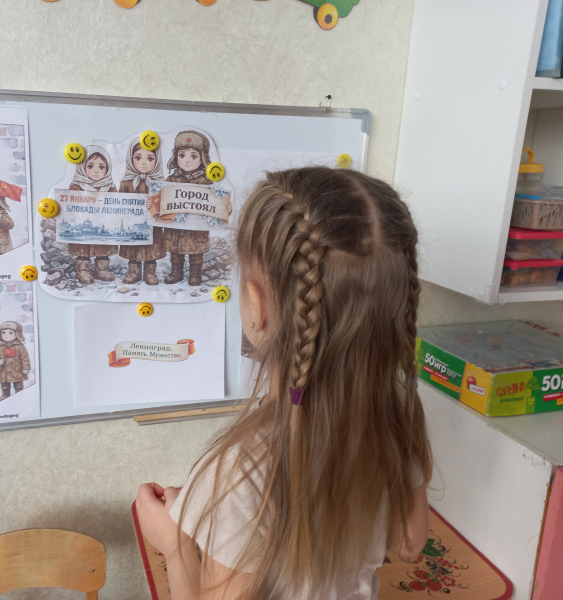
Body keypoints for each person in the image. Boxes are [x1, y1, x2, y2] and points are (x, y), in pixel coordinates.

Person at [134, 166, 432, 600]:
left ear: (256, 307)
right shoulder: (394, 412)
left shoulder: (239, 470)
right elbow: (410, 540)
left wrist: (176, 544)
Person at [163, 130, 213, 286]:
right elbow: (163, 199)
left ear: (202, 159)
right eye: (182, 155)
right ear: (175, 157)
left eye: (193, 156)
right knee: (175, 249)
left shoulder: (206, 181)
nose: (186, 160)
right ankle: (176, 272)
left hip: (196, 226)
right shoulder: (170, 179)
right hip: (175, 226)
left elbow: (215, 204)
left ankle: (195, 274)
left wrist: (225, 208)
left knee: (196, 250)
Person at [67, 146, 119, 283]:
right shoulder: (76, 186)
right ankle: (83, 271)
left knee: (103, 248)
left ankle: (102, 270)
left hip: (103, 224)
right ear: (82, 167)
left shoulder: (110, 187)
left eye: (101, 167)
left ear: (108, 169)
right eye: (90, 166)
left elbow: (118, 205)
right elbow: (69, 205)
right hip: (82, 224)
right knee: (82, 249)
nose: (96, 171)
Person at [118, 139, 166, 285]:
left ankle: (150, 272)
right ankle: (134, 271)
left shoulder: (160, 183)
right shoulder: (126, 182)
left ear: (157, 160)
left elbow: (167, 204)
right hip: (132, 224)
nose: (144, 163)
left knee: (152, 248)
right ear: (130, 159)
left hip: (153, 224)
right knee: (133, 248)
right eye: (138, 158)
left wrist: (155, 205)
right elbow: (120, 203)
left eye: (150, 159)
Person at [0, 321, 31, 401]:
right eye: (3, 332)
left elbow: (25, 358)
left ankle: (19, 394)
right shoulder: (0, 346)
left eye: (10, 333)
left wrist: (26, 368)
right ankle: (5, 394)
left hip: (17, 371)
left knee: (18, 384)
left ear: (17, 334)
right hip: (4, 371)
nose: (6, 335)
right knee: (4, 385)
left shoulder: (20, 346)